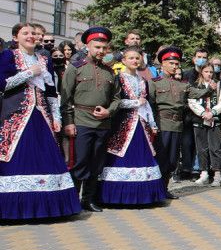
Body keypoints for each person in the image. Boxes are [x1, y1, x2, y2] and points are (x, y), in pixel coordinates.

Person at [0, 23, 81, 219]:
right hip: (16, 114)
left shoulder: (44, 58)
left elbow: (52, 91)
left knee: (46, 157)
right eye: (25, 33)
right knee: (16, 158)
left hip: (41, 115)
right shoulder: (8, 56)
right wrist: (29, 73)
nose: (30, 36)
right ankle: (13, 209)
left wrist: (56, 116)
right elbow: (3, 83)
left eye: (33, 33)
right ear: (16, 37)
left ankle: (48, 207)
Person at [61, 26, 121, 212]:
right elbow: (65, 98)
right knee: (80, 162)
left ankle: (88, 200)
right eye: (97, 47)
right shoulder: (75, 68)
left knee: (96, 163)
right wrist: (69, 122)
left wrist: (108, 111)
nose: (101, 51)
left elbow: (117, 98)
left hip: (103, 123)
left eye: (104, 48)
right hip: (81, 121)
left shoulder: (110, 72)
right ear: (88, 46)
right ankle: (72, 201)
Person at [97, 46, 166, 205]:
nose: (135, 61)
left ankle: (143, 195)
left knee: (143, 155)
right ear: (123, 60)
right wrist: (135, 102)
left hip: (141, 123)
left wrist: (152, 122)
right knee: (121, 154)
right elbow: (115, 102)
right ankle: (116, 196)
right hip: (123, 123)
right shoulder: (118, 78)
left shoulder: (142, 80)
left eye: (137, 58)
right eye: (131, 58)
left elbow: (146, 103)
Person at [150, 47, 205, 199]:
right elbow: (151, 105)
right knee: (160, 157)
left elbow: (196, 93)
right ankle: (155, 190)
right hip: (161, 124)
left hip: (177, 125)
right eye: (172, 63)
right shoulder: (154, 83)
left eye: (177, 64)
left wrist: (210, 88)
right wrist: (152, 125)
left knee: (172, 160)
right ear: (163, 63)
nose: (175, 66)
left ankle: (164, 189)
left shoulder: (182, 84)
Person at [188, 63, 221, 186]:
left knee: (215, 148)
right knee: (201, 148)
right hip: (199, 120)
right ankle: (204, 173)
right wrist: (202, 113)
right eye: (206, 71)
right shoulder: (195, 85)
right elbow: (192, 102)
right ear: (201, 72)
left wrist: (213, 112)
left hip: (214, 120)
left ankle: (217, 174)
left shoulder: (220, 85)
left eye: (211, 72)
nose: (209, 74)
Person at [178, 48, 209, 180]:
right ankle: (185, 168)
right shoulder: (186, 74)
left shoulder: (208, 74)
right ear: (194, 58)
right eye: (199, 56)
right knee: (186, 142)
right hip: (187, 114)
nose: (201, 59)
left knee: (199, 143)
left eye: (204, 57)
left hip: (203, 115)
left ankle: (196, 169)